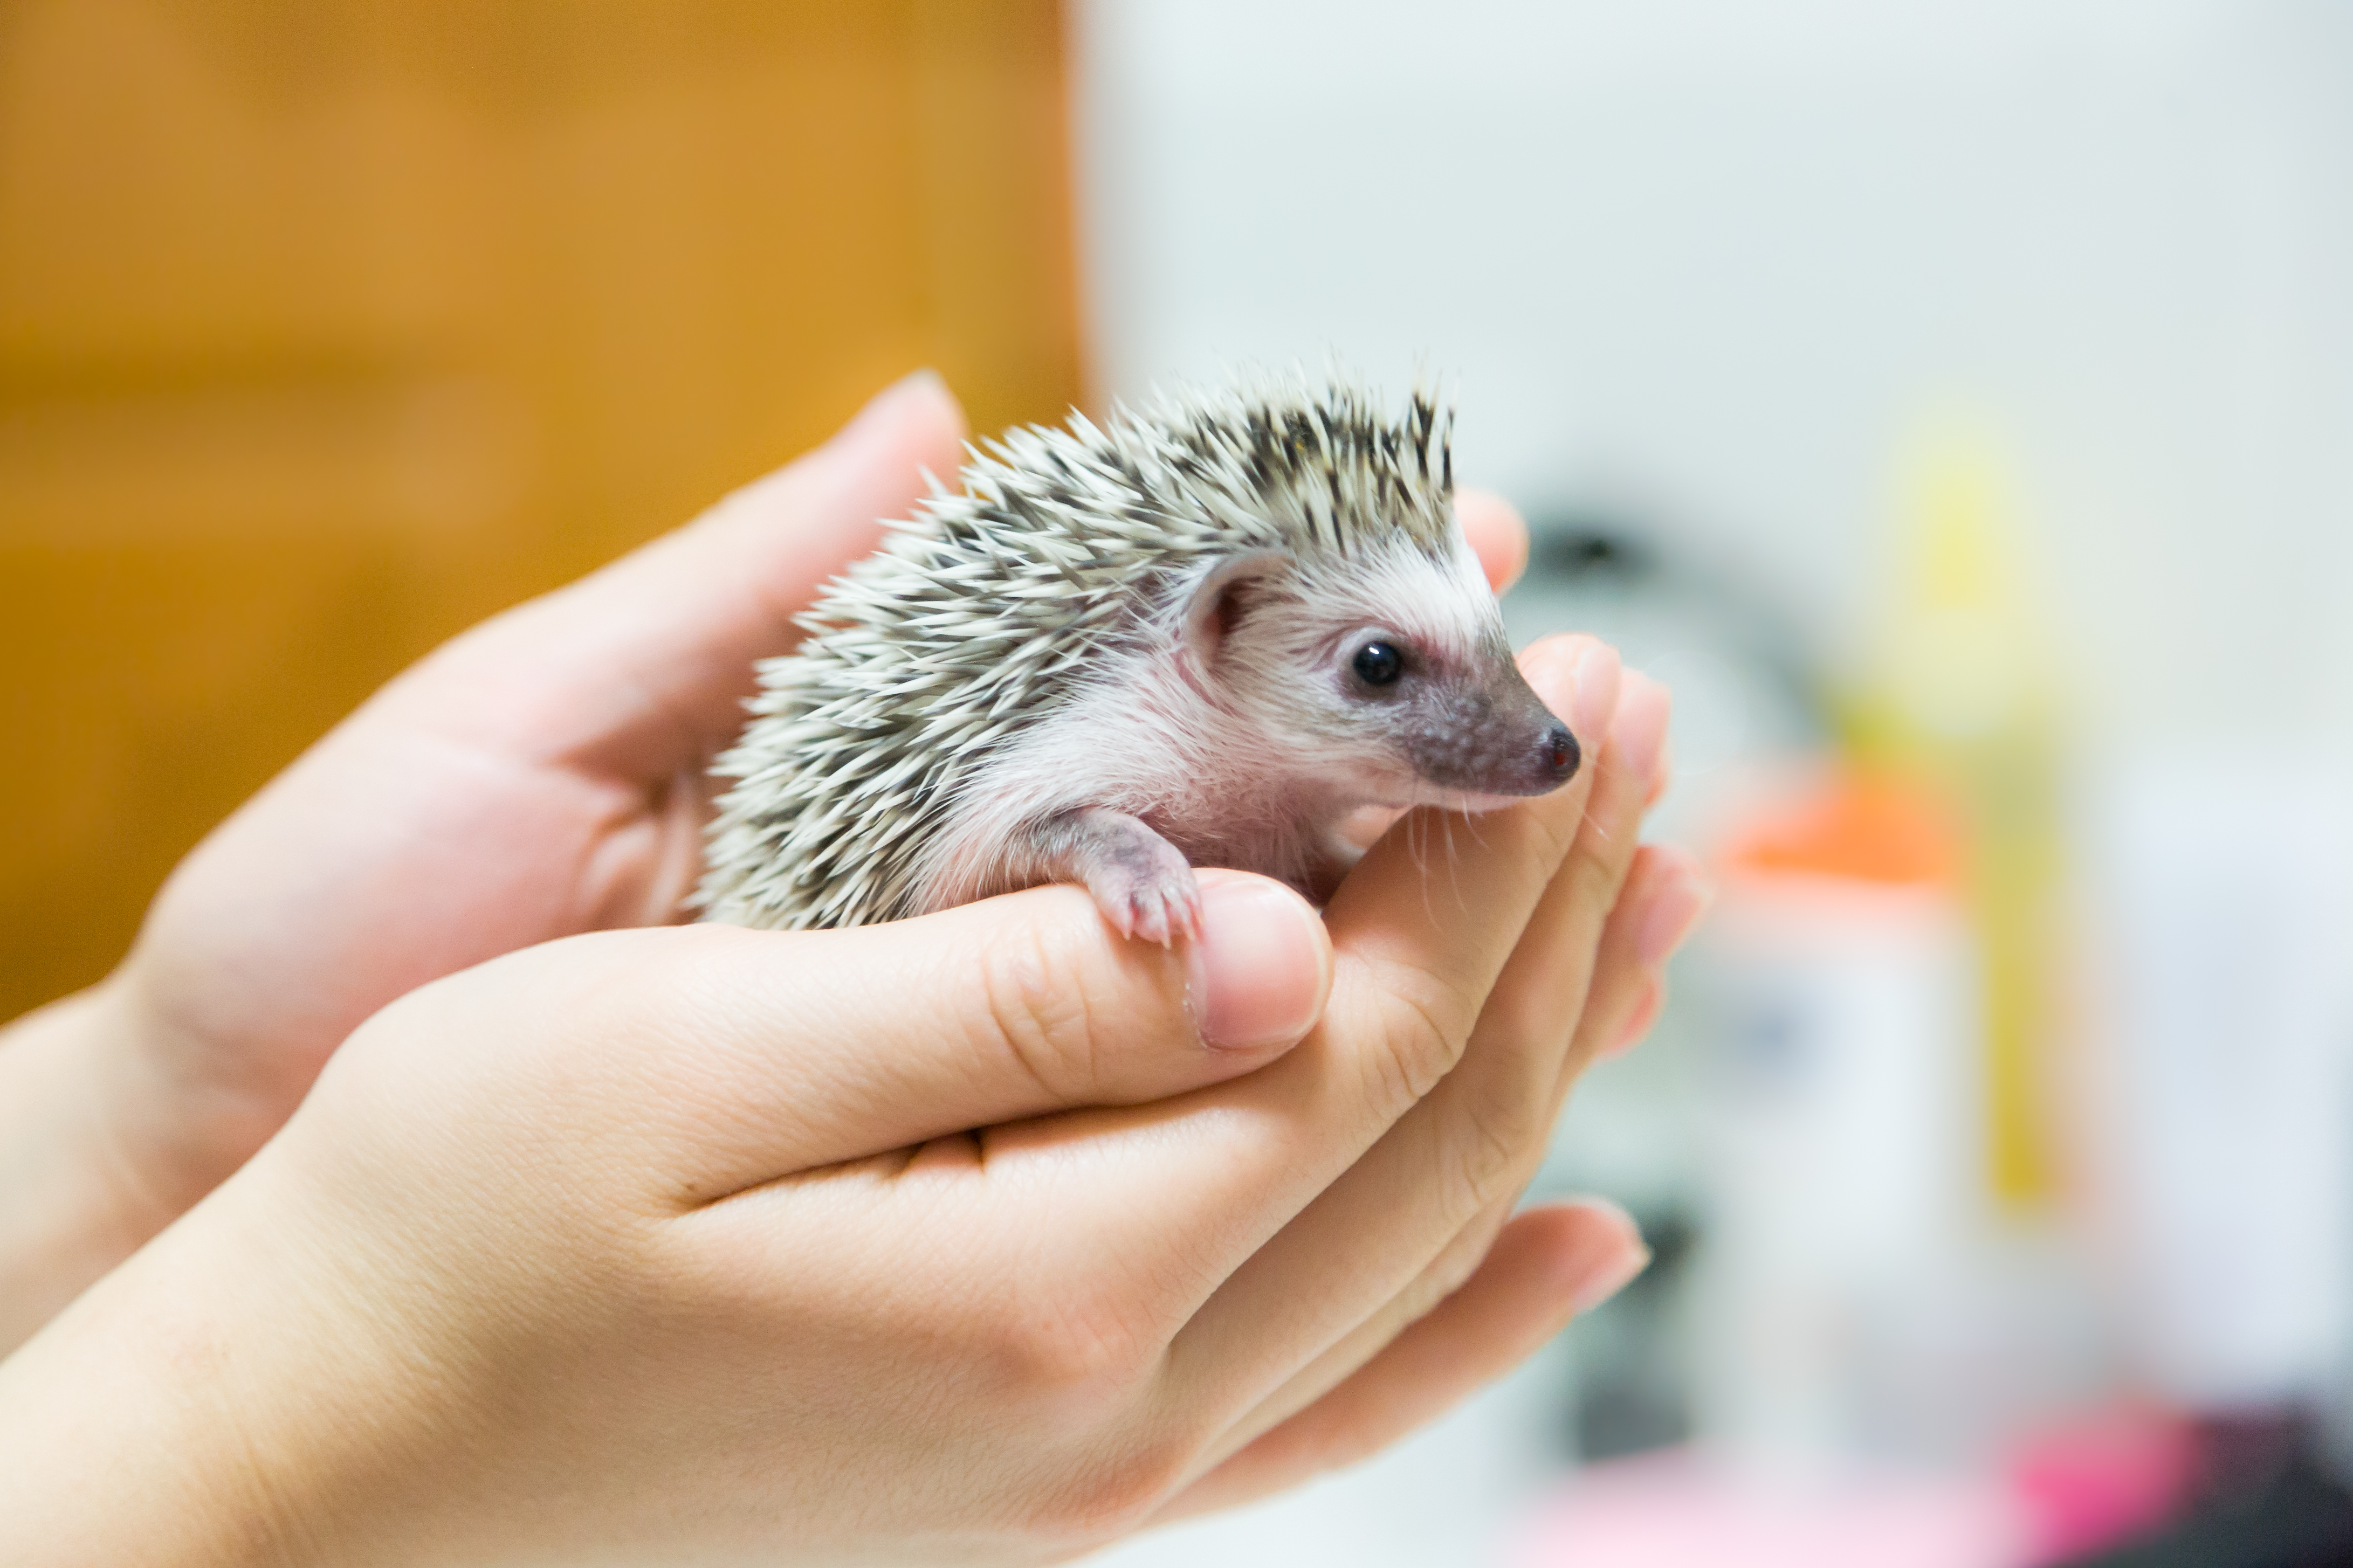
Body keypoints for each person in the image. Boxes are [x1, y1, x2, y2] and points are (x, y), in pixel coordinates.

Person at [0, 371, 1707, 1564]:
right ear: (1217, 629)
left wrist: (152, 1126)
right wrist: (314, 1412)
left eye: (1463, 663)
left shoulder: (1292, 705)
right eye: (1381, 673)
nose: (1510, 738)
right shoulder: (1082, 725)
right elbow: (965, 848)